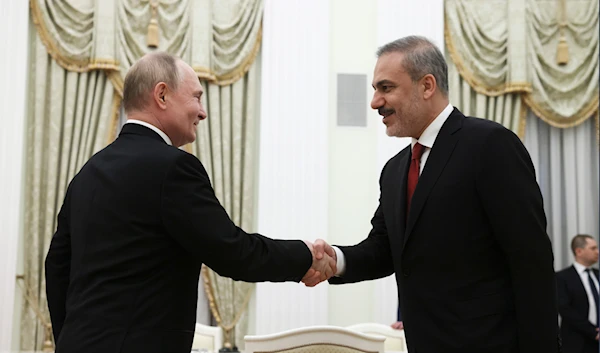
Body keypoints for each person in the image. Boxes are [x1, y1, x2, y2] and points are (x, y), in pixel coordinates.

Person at [44, 52, 336, 353]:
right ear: (162, 95)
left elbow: (57, 266)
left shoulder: (87, 172)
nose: (202, 112)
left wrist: (70, 339)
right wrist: (304, 256)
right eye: (196, 97)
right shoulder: (174, 168)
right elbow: (232, 252)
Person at [304, 36, 560, 353]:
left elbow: (531, 261)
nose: (374, 102)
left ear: (427, 86)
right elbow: (385, 250)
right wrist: (336, 260)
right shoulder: (395, 170)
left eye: (385, 88)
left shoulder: (490, 145)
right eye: (375, 89)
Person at [556, 234, 600, 353]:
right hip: (577, 342)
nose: (597, 252)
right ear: (579, 251)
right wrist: (593, 332)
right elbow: (565, 309)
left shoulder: (597, 275)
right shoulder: (562, 277)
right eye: (593, 248)